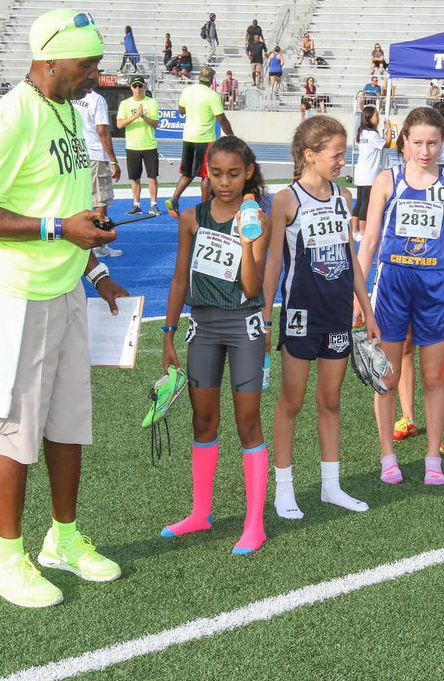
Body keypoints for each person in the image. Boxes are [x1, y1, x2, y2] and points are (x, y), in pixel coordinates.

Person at [0, 8, 126, 608]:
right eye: (87, 65)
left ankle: (64, 539)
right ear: (51, 60)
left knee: (67, 422)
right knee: (11, 428)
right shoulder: (9, 116)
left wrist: (96, 265)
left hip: (65, 287)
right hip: (10, 293)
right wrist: (57, 228)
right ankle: (5, 559)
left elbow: (69, 207)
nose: (97, 76)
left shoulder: (70, 111)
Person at [263, 116, 379, 519]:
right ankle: (284, 489)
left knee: (330, 400)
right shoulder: (285, 201)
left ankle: (331, 486)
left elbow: (350, 258)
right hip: (298, 314)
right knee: (291, 402)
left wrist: (364, 304)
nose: (342, 161)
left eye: (344, 154)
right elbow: (275, 261)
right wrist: (265, 314)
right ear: (310, 156)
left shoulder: (344, 198)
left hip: (336, 315)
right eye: (337, 154)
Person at [160, 136, 271, 554]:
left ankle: (254, 524)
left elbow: (253, 286)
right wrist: (168, 333)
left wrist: (246, 239)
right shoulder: (191, 217)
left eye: (235, 174)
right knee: (203, 421)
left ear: (248, 175)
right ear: (206, 171)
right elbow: (178, 279)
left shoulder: (257, 217)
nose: (225, 182)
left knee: (247, 423)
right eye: (217, 173)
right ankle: (200, 513)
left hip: (244, 327)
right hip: (202, 327)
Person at [357, 107, 444, 485]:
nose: (425, 150)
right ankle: (388, 456)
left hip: (433, 291)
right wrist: (358, 294)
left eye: (433, 142)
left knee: (433, 377)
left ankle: (433, 457)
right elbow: (369, 240)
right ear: (403, 141)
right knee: (387, 377)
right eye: (417, 142)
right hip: (390, 287)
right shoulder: (385, 181)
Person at [167, 66, 233, 218]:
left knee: (187, 172)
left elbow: (181, 110)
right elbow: (221, 118)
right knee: (206, 176)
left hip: (188, 136)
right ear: (211, 81)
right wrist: (231, 136)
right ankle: (204, 208)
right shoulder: (212, 95)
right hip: (205, 139)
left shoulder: (187, 91)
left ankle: (174, 198)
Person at [72, 87, 122, 257]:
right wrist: (113, 160)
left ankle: (77, 238)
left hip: (76, 153)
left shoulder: (70, 97)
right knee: (100, 199)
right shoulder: (97, 100)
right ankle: (99, 244)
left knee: (80, 198)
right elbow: (102, 131)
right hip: (94, 153)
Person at [118, 76, 161, 216]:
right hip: (132, 145)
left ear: (144, 87)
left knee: (152, 176)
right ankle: (136, 205)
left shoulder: (152, 102)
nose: (138, 89)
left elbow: (155, 123)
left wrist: (143, 116)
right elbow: (119, 124)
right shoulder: (125, 104)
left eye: (140, 86)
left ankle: (153, 204)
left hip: (149, 145)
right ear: (131, 88)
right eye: (135, 86)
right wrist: (135, 116)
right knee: (134, 177)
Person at [353, 105, 386, 241]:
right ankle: (362, 231)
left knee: (360, 201)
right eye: (376, 116)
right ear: (369, 118)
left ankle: (354, 230)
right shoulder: (372, 134)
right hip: (369, 173)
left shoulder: (361, 133)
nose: (378, 118)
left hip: (360, 171)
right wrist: (388, 130)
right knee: (366, 203)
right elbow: (387, 144)